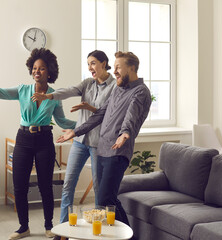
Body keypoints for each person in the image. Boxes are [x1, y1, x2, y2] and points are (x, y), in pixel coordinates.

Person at [0, 48, 76, 240]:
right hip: (23, 139)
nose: (36, 71)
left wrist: (84, 124)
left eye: (41, 68)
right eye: (34, 68)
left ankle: (49, 225)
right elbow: (0, 92)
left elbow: (62, 122)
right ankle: (24, 227)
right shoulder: (23, 90)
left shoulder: (54, 96)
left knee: (45, 185)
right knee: (19, 185)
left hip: (44, 140)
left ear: (49, 72)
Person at [56, 51, 152, 227]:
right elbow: (100, 114)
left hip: (118, 151)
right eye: (114, 67)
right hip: (102, 150)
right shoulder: (118, 88)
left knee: (107, 198)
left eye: (118, 67)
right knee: (104, 199)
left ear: (131, 68)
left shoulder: (140, 92)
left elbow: (131, 116)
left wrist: (125, 133)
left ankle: (128, 236)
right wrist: (76, 132)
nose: (114, 71)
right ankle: (117, 234)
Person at [31, 50, 116, 227]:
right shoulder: (87, 83)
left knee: (99, 189)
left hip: (97, 144)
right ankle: (63, 229)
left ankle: (98, 227)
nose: (90, 67)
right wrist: (49, 95)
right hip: (79, 141)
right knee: (68, 185)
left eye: (93, 63)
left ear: (104, 63)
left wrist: (91, 108)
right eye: (88, 64)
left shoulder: (114, 87)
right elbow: (69, 91)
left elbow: (111, 114)